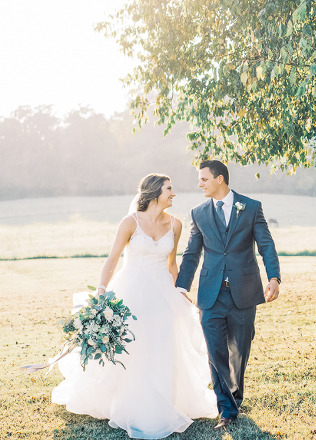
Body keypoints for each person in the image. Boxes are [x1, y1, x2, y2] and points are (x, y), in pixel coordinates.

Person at [51, 174, 217, 439]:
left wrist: (181, 293)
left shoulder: (175, 224)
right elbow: (113, 259)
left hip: (163, 292)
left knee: (163, 342)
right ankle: (131, 402)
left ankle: (163, 401)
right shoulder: (130, 223)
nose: (174, 194)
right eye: (169, 189)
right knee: (134, 345)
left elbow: (172, 265)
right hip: (131, 290)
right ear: (154, 193)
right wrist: (102, 292)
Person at [176, 160, 280, 430]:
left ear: (219, 179)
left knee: (239, 351)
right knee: (215, 351)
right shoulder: (198, 213)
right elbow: (191, 253)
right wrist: (181, 286)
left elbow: (266, 245)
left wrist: (274, 278)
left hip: (244, 292)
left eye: (204, 179)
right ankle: (227, 408)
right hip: (210, 295)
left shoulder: (251, 207)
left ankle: (234, 397)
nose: (199, 184)